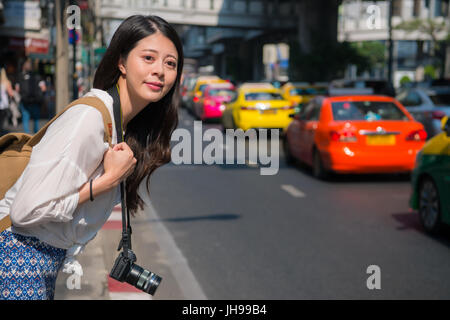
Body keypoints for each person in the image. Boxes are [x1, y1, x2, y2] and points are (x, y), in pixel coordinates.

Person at [0, 15, 183, 300]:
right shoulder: (90, 118)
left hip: (38, 260)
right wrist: (107, 181)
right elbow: (26, 212)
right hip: (16, 258)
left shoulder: (120, 125)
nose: (160, 70)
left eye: (170, 63)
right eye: (148, 58)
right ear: (121, 63)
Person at [16, 58, 46, 134]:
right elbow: (43, 88)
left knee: (25, 119)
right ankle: (36, 136)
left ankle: (27, 136)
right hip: (35, 101)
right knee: (36, 120)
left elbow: (17, 89)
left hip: (25, 101)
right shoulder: (37, 76)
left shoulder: (20, 77)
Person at [0, 67, 15, 134]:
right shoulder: (6, 82)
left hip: (3, 105)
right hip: (4, 105)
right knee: (2, 122)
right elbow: (11, 93)